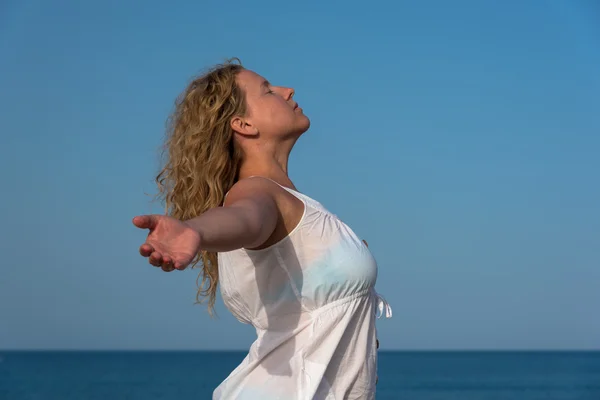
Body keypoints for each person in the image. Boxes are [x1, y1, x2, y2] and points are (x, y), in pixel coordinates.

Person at [132, 59, 392, 399]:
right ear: (243, 124)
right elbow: (246, 217)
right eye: (268, 91)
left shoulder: (293, 202)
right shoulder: (256, 191)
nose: (288, 91)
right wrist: (195, 231)